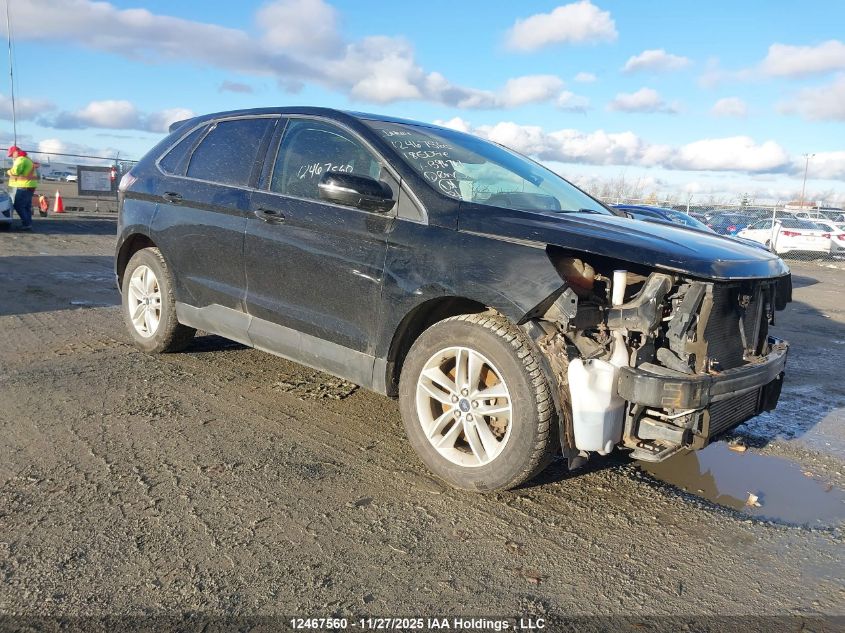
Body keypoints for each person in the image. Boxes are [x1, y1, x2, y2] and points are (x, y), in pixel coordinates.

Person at [6, 145, 39, 231]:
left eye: (11, 155)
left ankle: (26, 223)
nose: (11, 157)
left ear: (15, 152)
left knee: (18, 206)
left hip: (23, 186)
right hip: (30, 186)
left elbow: (15, 172)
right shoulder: (27, 159)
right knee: (26, 206)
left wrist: (8, 171)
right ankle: (28, 223)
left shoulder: (20, 159)